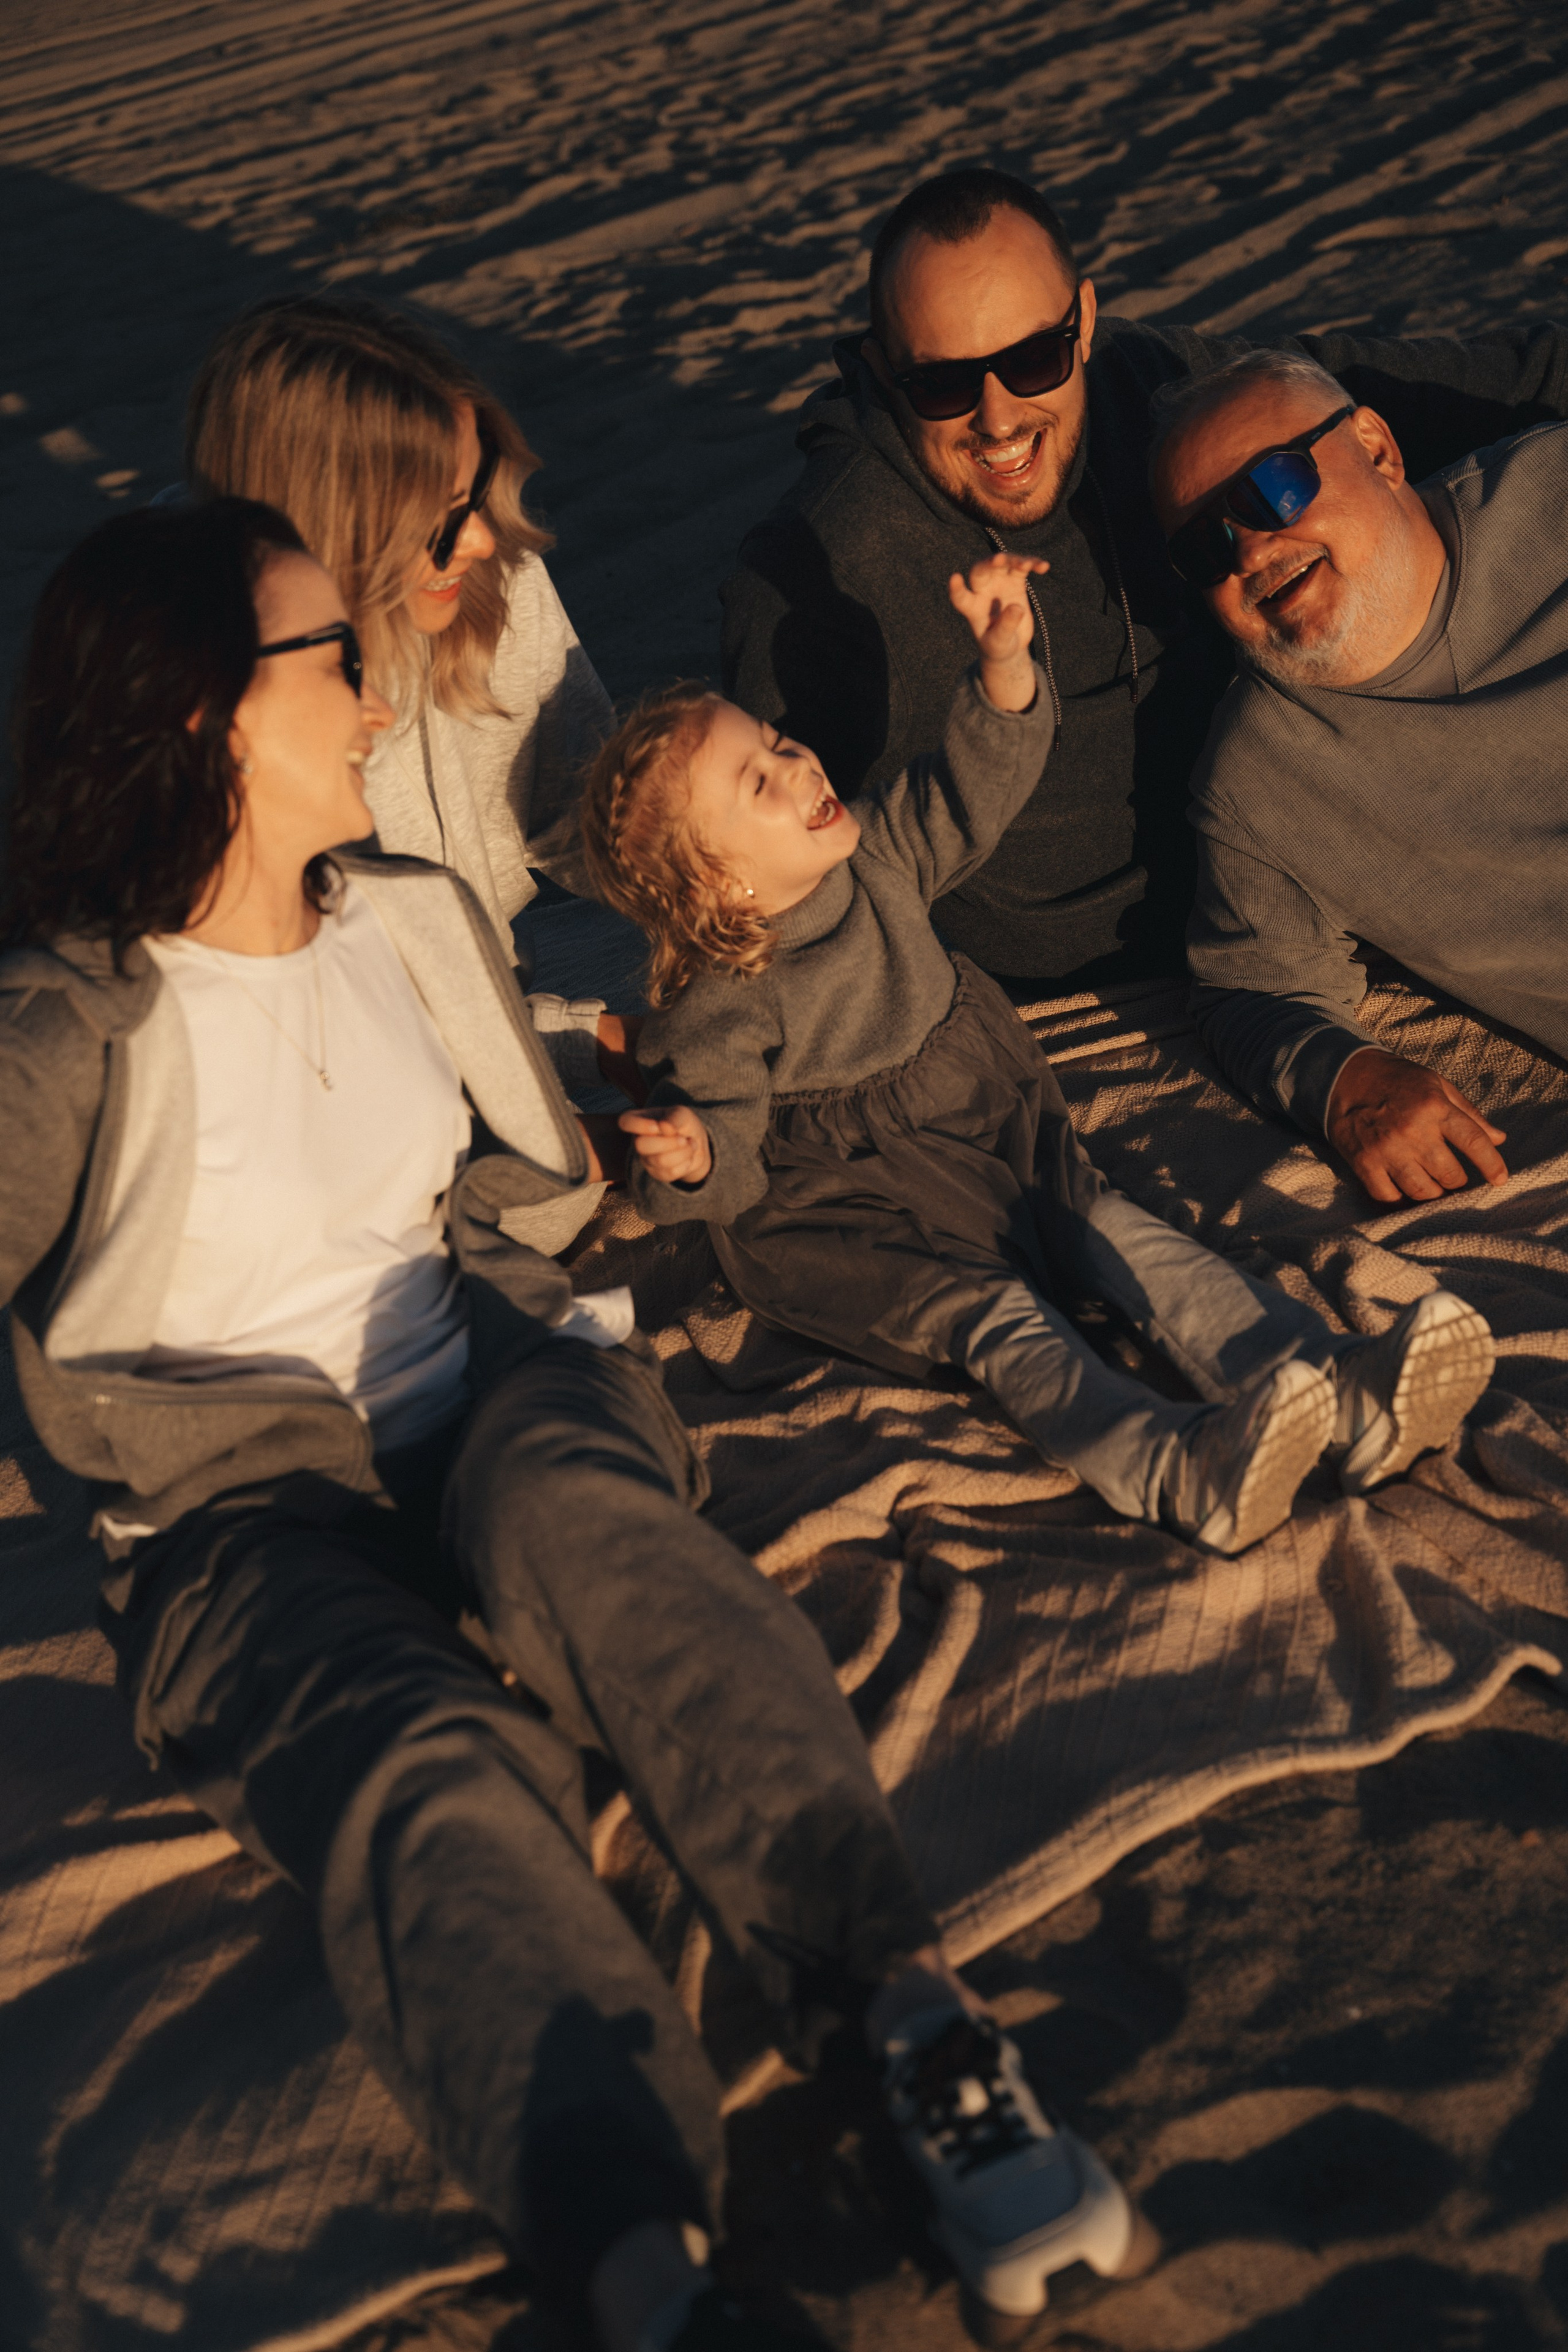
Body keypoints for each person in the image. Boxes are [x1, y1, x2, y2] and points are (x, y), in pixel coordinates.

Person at [0, 497, 1150, 2349]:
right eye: (330, 660)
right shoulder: (66, 1037)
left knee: (584, 1532)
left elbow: (490, 1174)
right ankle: (638, 2265)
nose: (377, 698)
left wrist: (621, 1167)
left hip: (491, 1388)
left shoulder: (406, 919)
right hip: (235, 1524)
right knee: (422, 1763)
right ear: (213, 714)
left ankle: (912, 2025)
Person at [583, 552, 1494, 1554]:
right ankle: (1176, 1465)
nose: (802, 766)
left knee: (1129, 1236)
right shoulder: (720, 1001)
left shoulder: (878, 855)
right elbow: (727, 1133)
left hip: (990, 1131)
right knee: (1003, 1325)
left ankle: (1339, 1389)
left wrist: (1005, 663)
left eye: (781, 742)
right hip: (862, 1209)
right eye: (761, 781)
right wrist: (692, 1152)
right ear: (723, 888)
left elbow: (972, 788)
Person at [720, 167, 1568, 993]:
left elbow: (1408, 394)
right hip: (1089, 992)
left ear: (1084, 323)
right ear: (881, 368)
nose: (1000, 415)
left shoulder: (1153, 384)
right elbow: (747, 875)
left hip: (1311, 882)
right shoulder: (826, 565)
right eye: (940, 382)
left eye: (1033, 358)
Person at [185, 293, 641, 1203]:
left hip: (493, 1024)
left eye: (474, 493)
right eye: (441, 513)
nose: (479, 535)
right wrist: (583, 1075)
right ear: (328, 523)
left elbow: (598, 814)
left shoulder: (483, 574)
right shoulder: (203, 681)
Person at [1147, 346, 1568, 1207]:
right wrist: (1347, 1080)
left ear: (1376, 448)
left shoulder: (1554, 494)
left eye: (1274, 488)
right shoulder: (1260, 781)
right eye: (1204, 544)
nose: (1252, 547)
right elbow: (1250, 986)